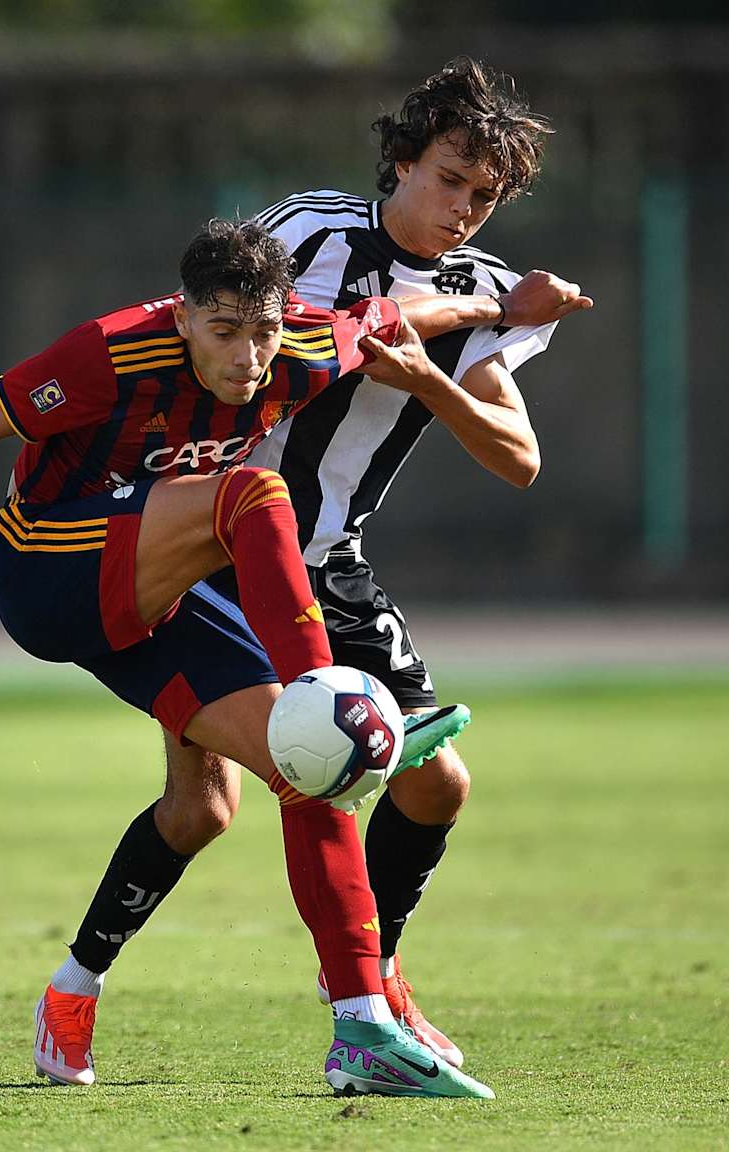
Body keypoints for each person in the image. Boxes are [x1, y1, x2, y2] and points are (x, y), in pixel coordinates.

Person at [0, 218, 495, 1098]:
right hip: (45, 572)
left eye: (265, 330)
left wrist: (502, 303)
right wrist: (314, 683)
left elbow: (395, 318)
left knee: (259, 786)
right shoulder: (107, 353)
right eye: (224, 330)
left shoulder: (305, 347)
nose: (249, 356)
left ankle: (348, 1029)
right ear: (182, 318)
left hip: (151, 593)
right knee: (253, 492)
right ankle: (321, 683)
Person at [245, 56, 593, 1067]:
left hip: (332, 562)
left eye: (485, 196)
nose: (464, 210)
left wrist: (429, 386)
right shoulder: (305, 226)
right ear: (399, 160)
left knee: (438, 786)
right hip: (223, 542)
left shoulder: (487, 293)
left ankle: (373, 987)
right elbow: (269, 339)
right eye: (449, 178)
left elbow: (520, 461)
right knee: (207, 804)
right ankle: (73, 985)